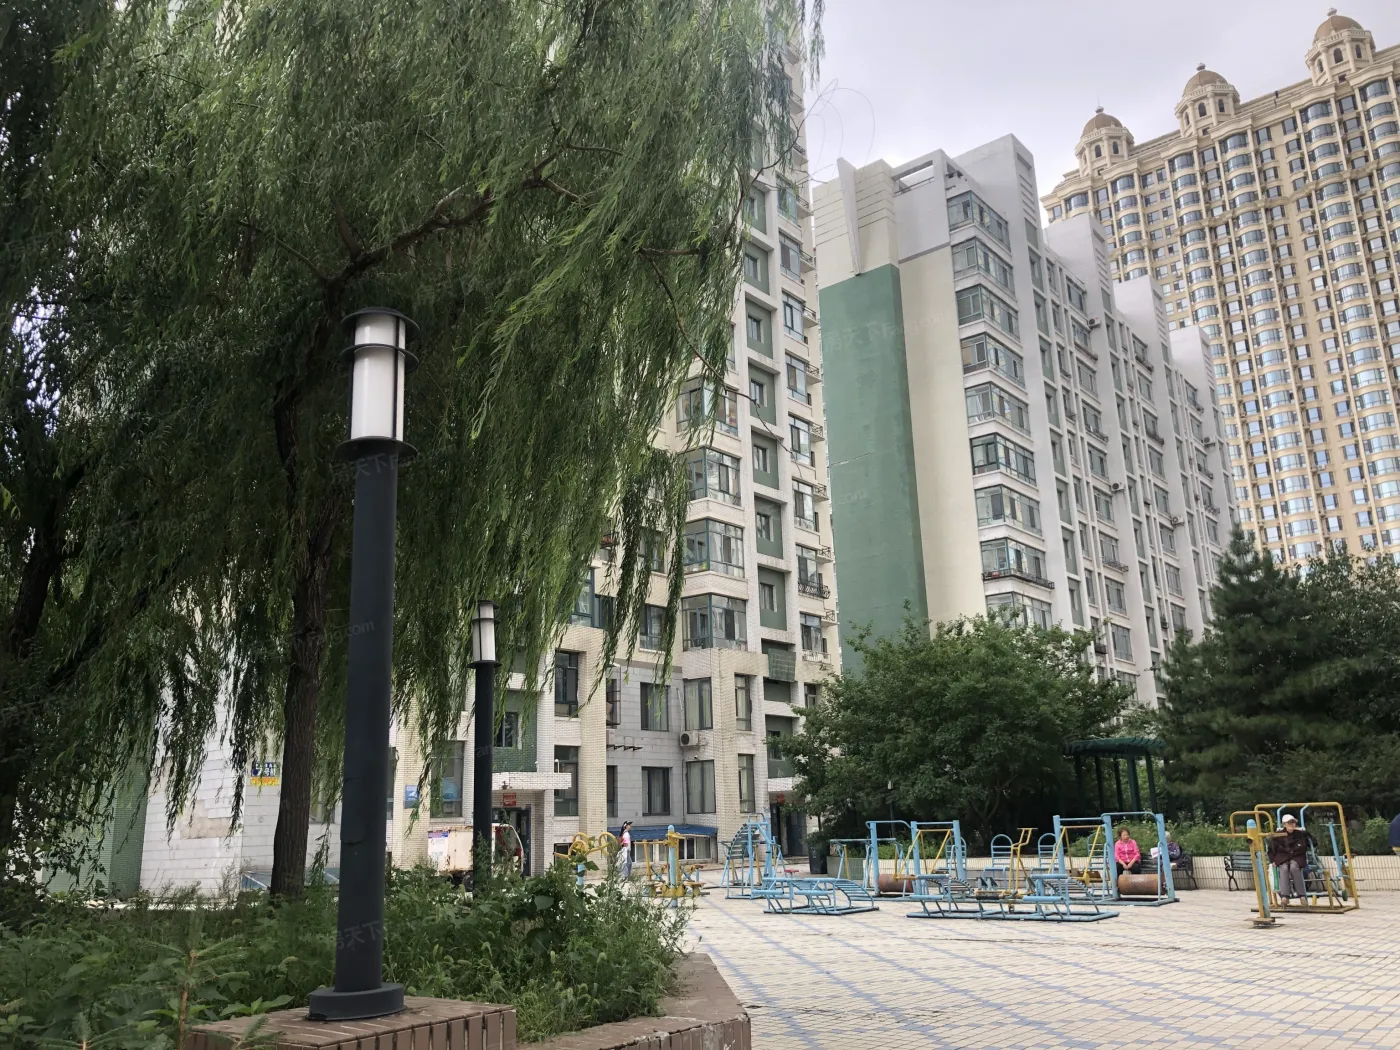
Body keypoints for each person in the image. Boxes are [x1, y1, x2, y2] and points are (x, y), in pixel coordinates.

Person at [1268, 813, 1314, 902]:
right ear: (1284, 824)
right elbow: (1271, 849)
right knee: (1284, 868)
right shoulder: (1278, 835)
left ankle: (1302, 895)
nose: (1292, 824)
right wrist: (1273, 860)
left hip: (1297, 857)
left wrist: (1308, 837)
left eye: (1293, 822)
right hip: (1283, 858)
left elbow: (1312, 843)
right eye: (1289, 822)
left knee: (1294, 867)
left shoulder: (1300, 834)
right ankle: (1285, 896)